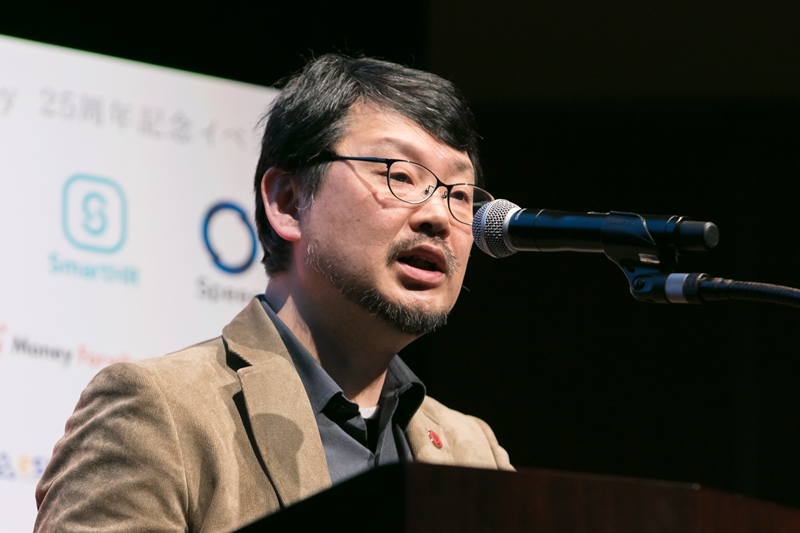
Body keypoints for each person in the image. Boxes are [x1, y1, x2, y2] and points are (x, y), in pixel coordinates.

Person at [33, 54, 513, 533]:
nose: (439, 217)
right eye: (400, 175)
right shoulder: (160, 413)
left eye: (459, 195)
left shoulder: (474, 450)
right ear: (287, 202)